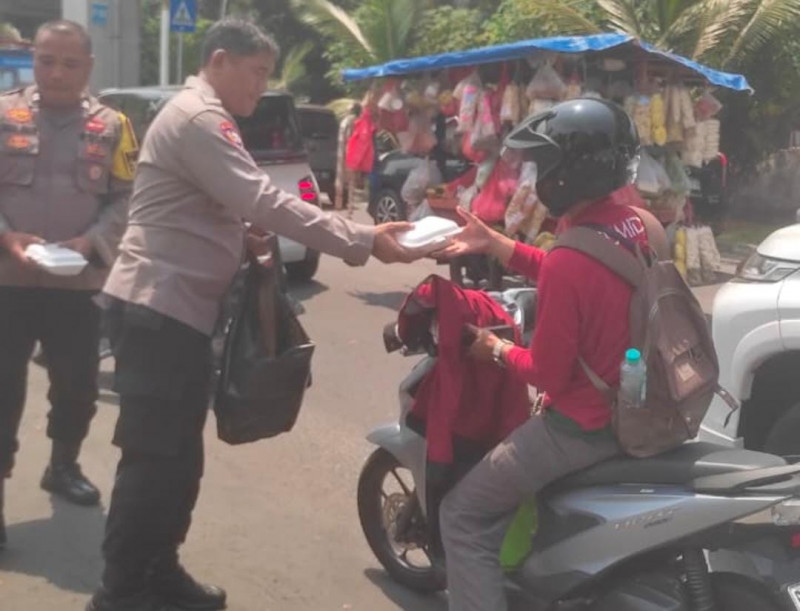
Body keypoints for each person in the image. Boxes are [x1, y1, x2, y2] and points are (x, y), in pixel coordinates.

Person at [87, 19, 418, 611]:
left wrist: (242, 235)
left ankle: (158, 573)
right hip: (157, 313)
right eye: (257, 72)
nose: (262, 88)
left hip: (176, 316)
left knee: (178, 459)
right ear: (220, 60)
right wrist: (362, 239)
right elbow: (262, 197)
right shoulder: (199, 119)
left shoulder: (205, 117)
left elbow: (226, 208)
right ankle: (118, 595)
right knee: (153, 459)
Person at [435, 98, 655, 611]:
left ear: (566, 174)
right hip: (643, 406)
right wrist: (495, 244)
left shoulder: (570, 257)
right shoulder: (641, 224)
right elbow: (582, 270)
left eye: (542, 166)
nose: (535, 179)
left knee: (462, 516)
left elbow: (546, 373)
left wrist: (494, 348)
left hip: (583, 428)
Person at [0, 21, 137, 549]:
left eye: (69, 63)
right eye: (46, 60)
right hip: (7, 282)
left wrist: (90, 243)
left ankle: (63, 464)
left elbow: (127, 197)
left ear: (89, 67)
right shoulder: (4, 112)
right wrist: (7, 237)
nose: (56, 72)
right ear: (34, 60)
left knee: (78, 387)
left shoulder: (115, 126)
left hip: (78, 285)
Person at [334, 101, 361, 215]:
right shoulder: (353, 121)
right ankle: (349, 209)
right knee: (351, 182)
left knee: (340, 180)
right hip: (350, 153)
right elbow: (352, 138)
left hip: (341, 153)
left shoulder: (344, 121)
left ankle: (338, 206)